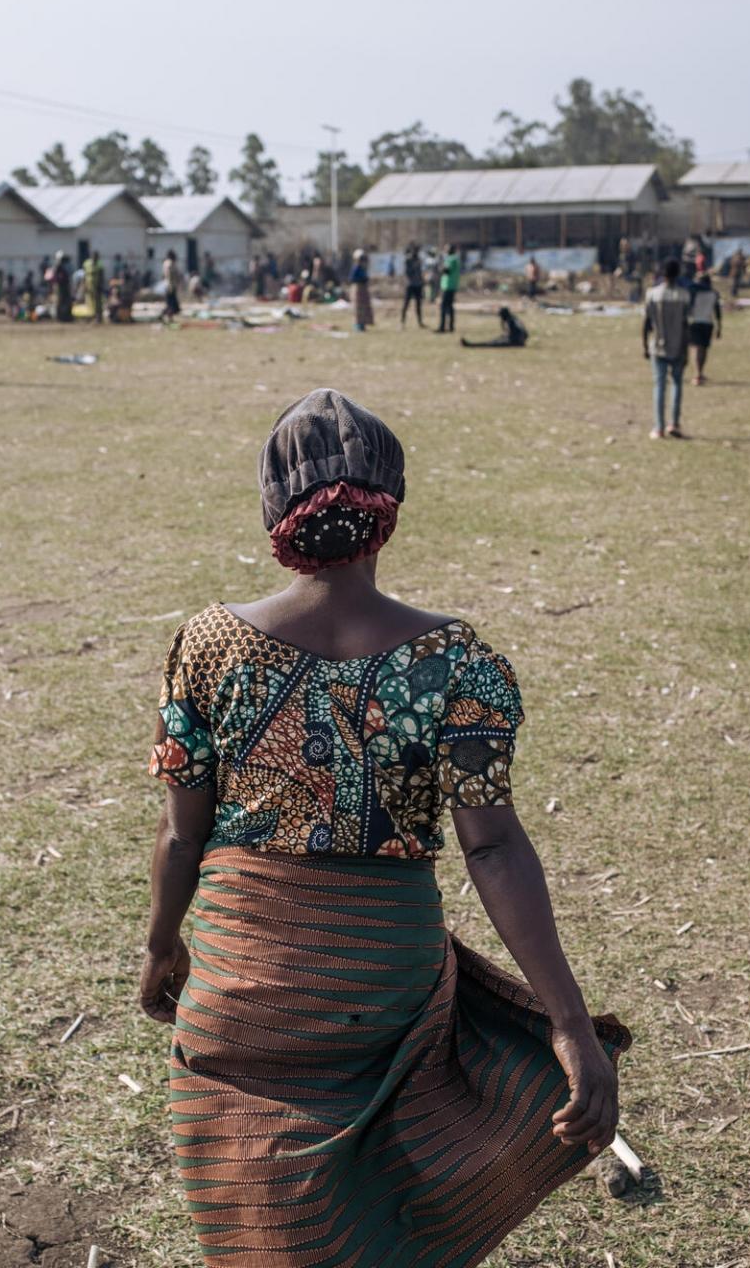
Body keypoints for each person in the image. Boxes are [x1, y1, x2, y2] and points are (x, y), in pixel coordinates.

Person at [141, 388, 628, 1266]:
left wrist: (161, 949)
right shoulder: (457, 663)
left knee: (265, 1229)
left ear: (273, 512)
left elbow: (184, 837)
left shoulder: (207, 645)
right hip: (383, 989)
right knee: (382, 1211)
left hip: (239, 991)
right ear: (388, 513)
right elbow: (493, 844)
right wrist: (568, 1024)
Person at [643, 259, 692, 439]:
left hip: (658, 346)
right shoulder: (684, 295)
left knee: (659, 386)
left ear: (663, 274)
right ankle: (675, 424)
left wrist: (644, 345)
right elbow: (686, 325)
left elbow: (646, 323)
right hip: (678, 346)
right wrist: (686, 349)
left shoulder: (653, 294)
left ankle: (659, 427)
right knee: (677, 384)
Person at [687, 271, 723, 386]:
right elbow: (717, 312)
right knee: (703, 349)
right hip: (708, 323)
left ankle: (697, 374)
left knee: (696, 349)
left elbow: (688, 308)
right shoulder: (714, 293)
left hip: (695, 322)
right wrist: (719, 327)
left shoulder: (693, 293)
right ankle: (700, 372)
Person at [460, 304, 529, 348]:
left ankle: (471, 345)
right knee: (494, 341)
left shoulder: (511, 320)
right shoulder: (513, 318)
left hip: (515, 341)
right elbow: (526, 334)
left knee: (490, 343)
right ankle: (470, 344)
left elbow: (518, 332)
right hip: (518, 341)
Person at [436, 243, 462, 333]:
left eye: (446, 249)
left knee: (443, 306)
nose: (445, 250)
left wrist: (440, 266)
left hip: (448, 285)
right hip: (452, 285)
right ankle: (451, 326)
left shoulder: (451, 259)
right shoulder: (456, 259)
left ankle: (442, 327)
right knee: (450, 306)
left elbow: (446, 270)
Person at [349, 248, 374, 332]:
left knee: (364, 307)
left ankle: (363, 324)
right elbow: (352, 278)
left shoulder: (363, 268)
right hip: (358, 288)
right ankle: (358, 325)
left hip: (363, 288)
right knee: (358, 308)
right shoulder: (356, 268)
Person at [400, 244, 425, 327]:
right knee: (406, 304)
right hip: (410, 284)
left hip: (418, 285)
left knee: (418, 305)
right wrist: (414, 267)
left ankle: (420, 322)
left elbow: (420, 272)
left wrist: (422, 281)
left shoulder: (419, 260)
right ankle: (402, 322)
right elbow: (407, 273)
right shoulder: (408, 260)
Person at [160, 249, 182, 324]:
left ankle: (169, 318)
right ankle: (164, 315)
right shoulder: (169, 263)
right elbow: (171, 274)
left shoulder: (166, 263)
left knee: (172, 305)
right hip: (170, 286)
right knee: (171, 305)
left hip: (169, 285)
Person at [84, 250, 106, 324]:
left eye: (96, 256)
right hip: (89, 286)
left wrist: (100, 285)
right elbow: (85, 275)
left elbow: (101, 275)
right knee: (89, 302)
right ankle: (90, 317)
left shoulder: (99, 264)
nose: (95, 258)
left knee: (98, 303)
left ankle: (98, 318)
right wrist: (84, 285)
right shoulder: (87, 263)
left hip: (97, 286)